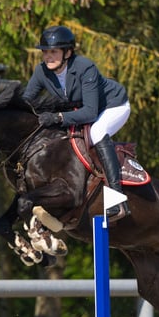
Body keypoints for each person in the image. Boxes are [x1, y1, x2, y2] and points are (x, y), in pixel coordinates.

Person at [23, 25, 131, 221]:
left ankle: (117, 199)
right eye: (45, 52)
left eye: (53, 52)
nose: (48, 56)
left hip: (113, 106)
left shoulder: (84, 67)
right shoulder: (41, 72)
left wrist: (57, 118)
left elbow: (90, 112)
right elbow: (26, 101)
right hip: (81, 110)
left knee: (97, 132)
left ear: (68, 52)